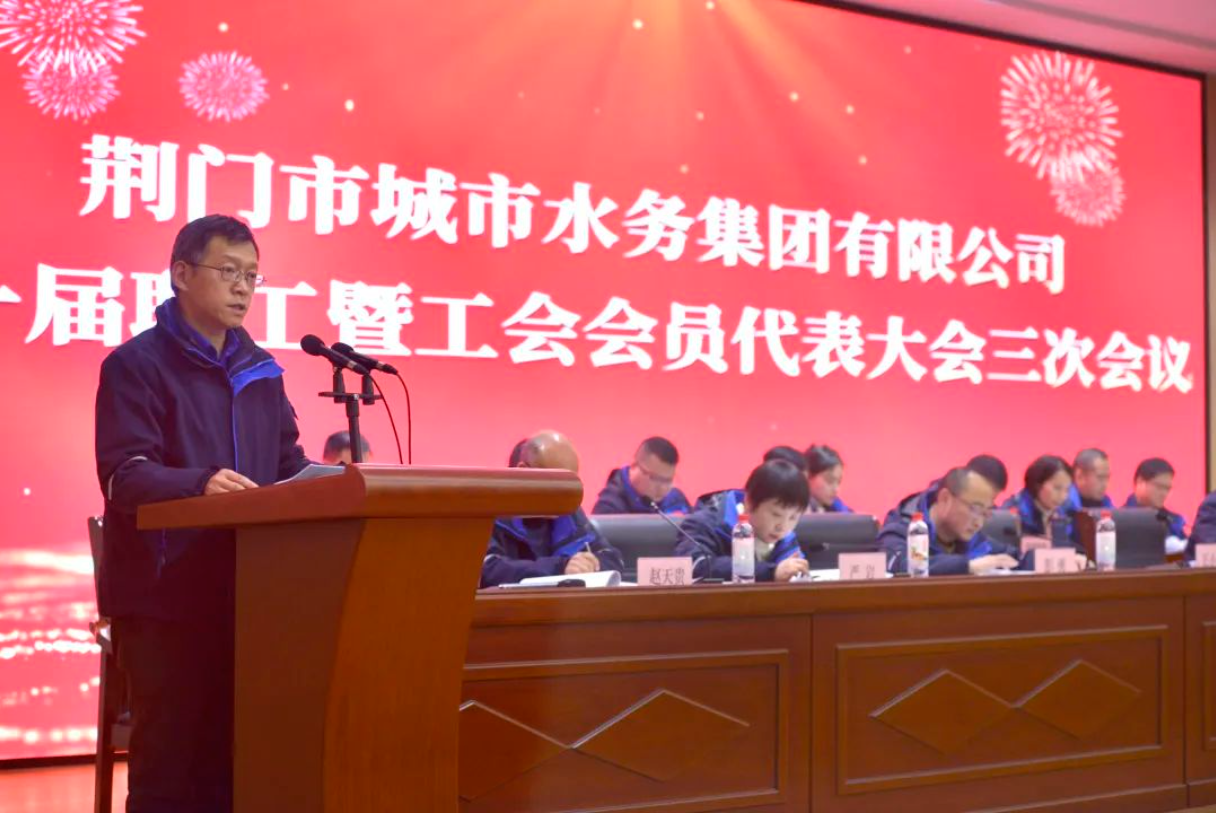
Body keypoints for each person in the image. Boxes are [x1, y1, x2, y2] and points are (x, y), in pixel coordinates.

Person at [94, 215, 309, 813]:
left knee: (239, 761)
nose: (243, 287)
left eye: (252, 276)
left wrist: (332, 485)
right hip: (167, 596)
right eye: (229, 271)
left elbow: (288, 465)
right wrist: (200, 483)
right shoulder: (136, 365)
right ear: (182, 275)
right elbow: (123, 475)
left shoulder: (262, 371)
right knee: (171, 767)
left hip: (253, 594)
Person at [482, 431, 624, 587]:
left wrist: (592, 565)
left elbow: (612, 558)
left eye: (572, 484)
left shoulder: (569, 513)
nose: (566, 496)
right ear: (524, 471)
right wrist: (560, 568)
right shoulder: (487, 511)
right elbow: (486, 569)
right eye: (558, 484)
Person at [675, 459, 811, 582]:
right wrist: (770, 572)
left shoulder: (786, 539)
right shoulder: (703, 524)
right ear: (749, 502)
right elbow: (695, 567)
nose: (783, 527)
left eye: (793, 518)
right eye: (776, 514)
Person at [880, 467, 1020, 575]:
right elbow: (906, 566)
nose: (979, 523)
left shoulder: (973, 539)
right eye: (975, 509)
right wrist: (968, 566)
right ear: (945, 499)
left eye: (985, 514)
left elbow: (1016, 558)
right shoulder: (900, 530)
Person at [884, 453, 1009, 529]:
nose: (979, 523)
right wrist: (967, 563)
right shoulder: (907, 519)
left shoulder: (980, 517)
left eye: (992, 499)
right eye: (976, 508)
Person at [593, 436, 691, 515]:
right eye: (655, 478)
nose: (663, 488)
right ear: (634, 466)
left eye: (668, 480)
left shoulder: (676, 501)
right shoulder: (610, 508)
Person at [1125, 457, 1188, 554]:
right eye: (1159, 487)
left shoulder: (1173, 520)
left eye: (1167, 488)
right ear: (1140, 482)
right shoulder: (1121, 520)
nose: (1164, 493)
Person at [1002, 455, 1073, 540]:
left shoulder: (1066, 511)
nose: (1063, 496)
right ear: (1037, 484)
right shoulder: (1012, 513)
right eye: (1057, 488)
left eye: (1067, 490)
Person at [804, 444, 852, 513]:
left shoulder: (838, 508)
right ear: (808, 476)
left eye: (839, 482)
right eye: (830, 480)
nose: (836, 489)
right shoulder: (796, 511)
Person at [1064, 448, 1114, 513]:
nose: (1105, 484)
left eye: (1107, 477)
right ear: (1080, 476)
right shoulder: (1061, 507)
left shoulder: (1106, 503)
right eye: (1100, 477)